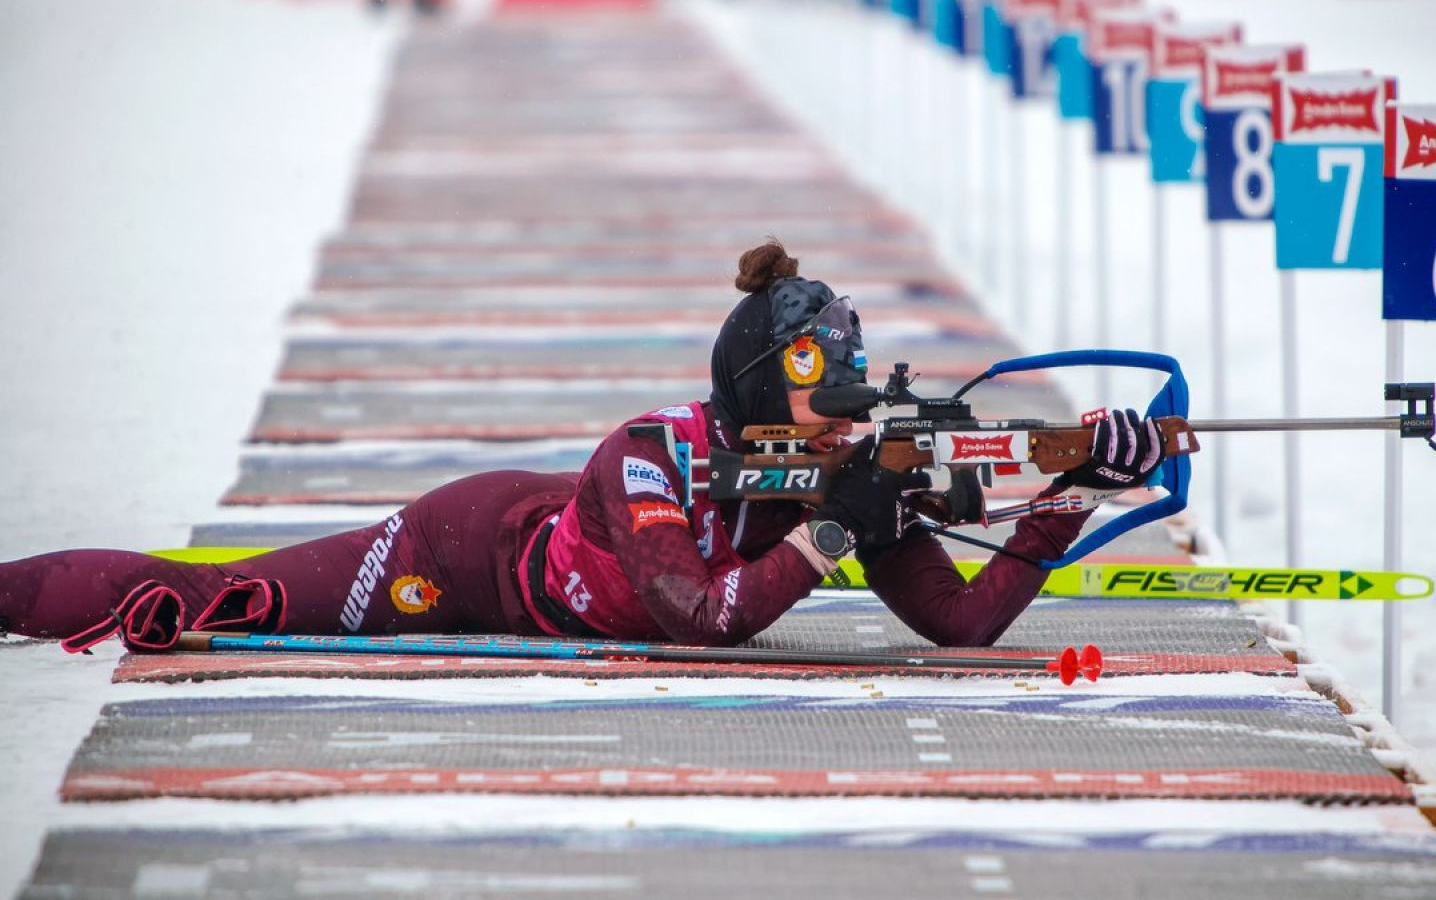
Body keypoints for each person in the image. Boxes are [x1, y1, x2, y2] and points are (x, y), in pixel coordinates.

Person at [0, 240, 1165, 652]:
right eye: (831, 399)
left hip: (588, 563)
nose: (854, 422)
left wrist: (1068, 488)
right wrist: (834, 528)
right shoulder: (646, 454)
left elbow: (958, 625)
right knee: (225, 596)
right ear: (764, 385)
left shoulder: (857, 472)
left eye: (859, 401)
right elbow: (704, 619)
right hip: (466, 555)